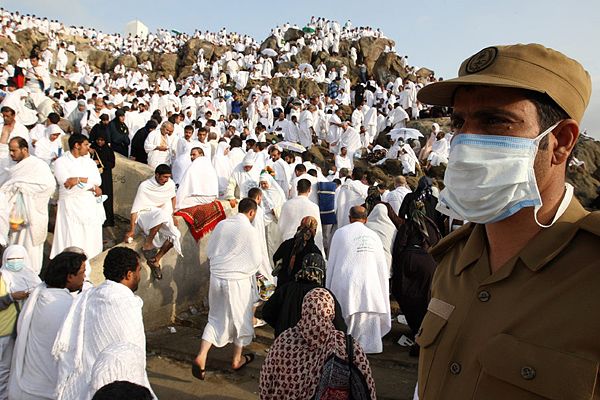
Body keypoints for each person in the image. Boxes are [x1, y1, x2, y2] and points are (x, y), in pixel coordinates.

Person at [413, 44, 599, 399]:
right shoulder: (451, 264)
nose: (466, 139)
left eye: (495, 120)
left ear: (560, 142)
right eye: (458, 122)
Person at [53, 247, 153, 400]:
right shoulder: (127, 305)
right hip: (114, 389)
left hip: (79, 386)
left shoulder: (90, 295)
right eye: (139, 270)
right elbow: (134, 357)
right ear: (129, 274)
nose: (140, 276)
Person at [259, 288, 377, 400]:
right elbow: (366, 386)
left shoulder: (285, 340)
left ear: (304, 310)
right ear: (331, 312)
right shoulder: (345, 346)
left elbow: (266, 380)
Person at [192, 198, 262, 380]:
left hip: (217, 278)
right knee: (241, 318)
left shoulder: (222, 224)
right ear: (252, 213)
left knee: (215, 318)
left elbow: (210, 251)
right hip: (237, 281)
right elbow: (255, 260)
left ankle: (202, 356)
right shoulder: (249, 230)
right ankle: (237, 359)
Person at [8, 251, 87, 400]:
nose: (84, 277)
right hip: (45, 391)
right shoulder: (64, 307)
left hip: (27, 385)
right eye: (82, 272)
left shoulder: (41, 296)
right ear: (70, 277)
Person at [326, 206, 391, 354]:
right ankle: (368, 348)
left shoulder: (340, 233)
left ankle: (346, 348)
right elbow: (381, 267)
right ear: (366, 219)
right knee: (368, 317)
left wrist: (328, 287)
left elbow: (332, 262)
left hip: (346, 283)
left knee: (345, 319)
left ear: (349, 218)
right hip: (370, 284)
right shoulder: (373, 236)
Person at [1, 137, 55, 274]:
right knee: (14, 244)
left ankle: (31, 277)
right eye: (10, 151)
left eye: (14, 150)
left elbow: (49, 186)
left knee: (30, 250)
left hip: (33, 216)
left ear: (24, 149)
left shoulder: (38, 165)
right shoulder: (12, 167)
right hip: (15, 217)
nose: (11, 153)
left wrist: (23, 188)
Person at [50, 134, 105, 265]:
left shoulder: (89, 162)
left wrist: (78, 180)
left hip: (89, 205)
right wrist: (89, 184)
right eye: (86, 144)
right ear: (77, 145)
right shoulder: (60, 162)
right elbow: (66, 183)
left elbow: (98, 181)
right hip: (70, 204)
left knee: (90, 237)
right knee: (71, 236)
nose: (88, 147)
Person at [262, 253, 346, 338]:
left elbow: (266, 312)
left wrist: (280, 326)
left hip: (285, 343)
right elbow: (340, 327)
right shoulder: (325, 295)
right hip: (312, 346)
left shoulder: (287, 288)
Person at [125, 164, 181, 280]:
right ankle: (148, 244)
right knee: (161, 215)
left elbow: (172, 197)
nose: (166, 180)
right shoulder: (145, 186)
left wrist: (173, 215)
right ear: (157, 175)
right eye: (164, 177)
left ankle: (156, 260)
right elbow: (135, 209)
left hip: (161, 212)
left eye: (168, 177)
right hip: (145, 213)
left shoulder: (169, 183)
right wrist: (131, 230)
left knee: (174, 235)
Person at [0, 245, 40, 399]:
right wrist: (11, 297)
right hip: (5, 332)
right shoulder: (3, 278)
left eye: (19, 259)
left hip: (26, 330)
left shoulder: (32, 277)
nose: (15, 262)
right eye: (11, 259)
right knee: (4, 369)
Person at [278, 179, 324, 254]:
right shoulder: (314, 207)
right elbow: (317, 229)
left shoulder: (287, 205)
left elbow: (280, 227)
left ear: (297, 188)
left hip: (288, 244)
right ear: (309, 189)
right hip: (307, 246)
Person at [90, 132, 115, 227]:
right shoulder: (91, 149)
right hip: (94, 176)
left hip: (105, 176)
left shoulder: (108, 150)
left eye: (102, 140)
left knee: (106, 196)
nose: (100, 142)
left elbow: (112, 163)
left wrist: (101, 163)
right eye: (98, 140)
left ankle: (108, 220)